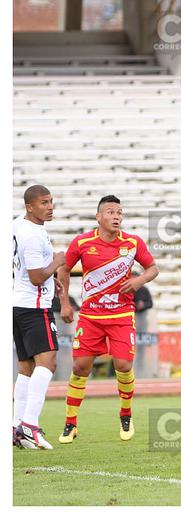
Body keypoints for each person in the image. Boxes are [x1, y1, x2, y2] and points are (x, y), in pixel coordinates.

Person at [56, 195, 158, 444]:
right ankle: (70, 423)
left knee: (123, 365)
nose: (116, 216)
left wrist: (138, 281)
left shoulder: (132, 243)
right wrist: (65, 303)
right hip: (91, 316)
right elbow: (63, 269)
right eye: (111, 212)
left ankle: (126, 414)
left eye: (119, 213)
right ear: (98, 217)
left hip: (121, 315)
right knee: (80, 368)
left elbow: (153, 269)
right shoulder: (82, 242)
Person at [12, 185, 65, 450]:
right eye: (44, 203)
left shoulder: (18, 224)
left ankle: (15, 427)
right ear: (29, 207)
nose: (50, 207)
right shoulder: (32, 234)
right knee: (48, 362)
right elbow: (35, 277)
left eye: (51, 201)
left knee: (27, 367)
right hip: (35, 308)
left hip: (18, 304)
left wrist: (51, 279)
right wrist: (57, 263)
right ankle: (30, 425)